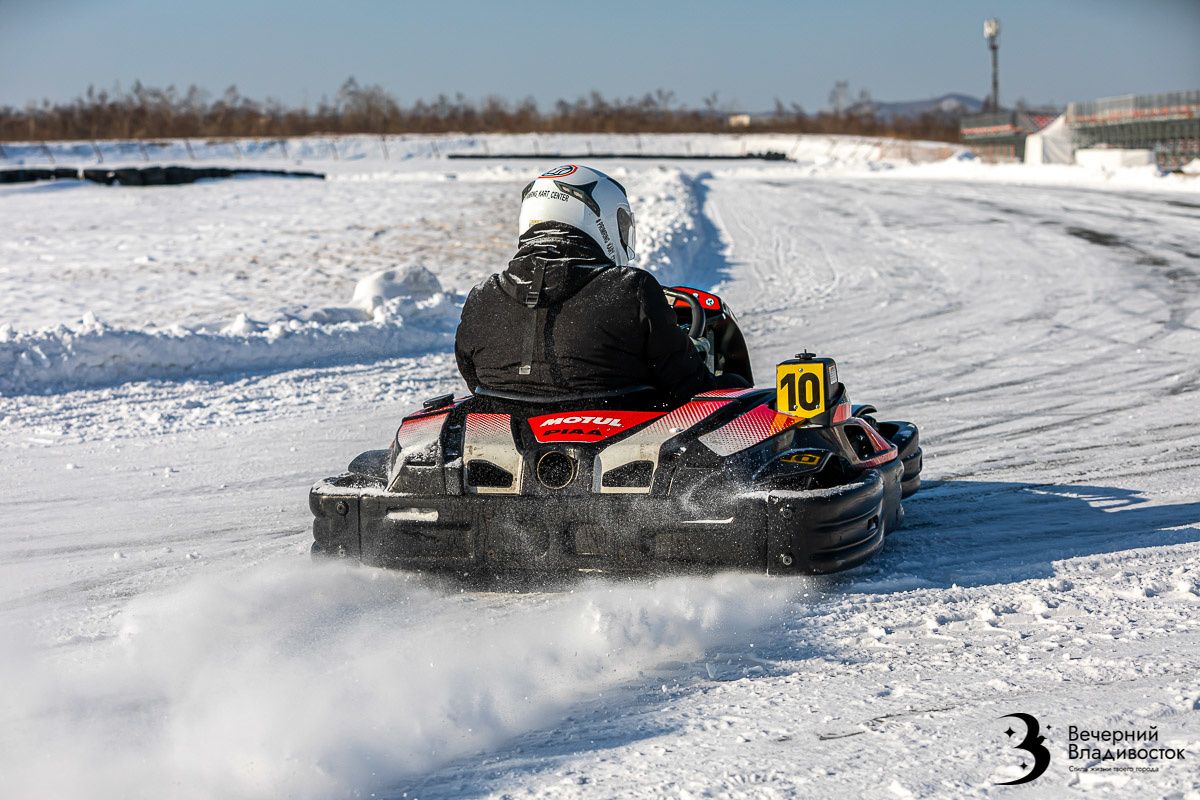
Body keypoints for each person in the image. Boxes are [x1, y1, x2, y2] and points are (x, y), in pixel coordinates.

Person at [455, 164, 739, 400]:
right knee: (735, 384)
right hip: (620, 452)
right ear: (596, 216)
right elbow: (687, 386)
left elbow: (475, 381)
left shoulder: (482, 297)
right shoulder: (630, 289)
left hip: (506, 442)